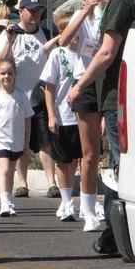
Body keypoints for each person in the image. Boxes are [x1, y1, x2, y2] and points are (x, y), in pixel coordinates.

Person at [67, 0, 135, 254]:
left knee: (119, 170)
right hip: (131, 96)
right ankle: (117, 236)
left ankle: (116, 237)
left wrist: (79, 85)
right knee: (124, 167)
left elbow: (106, 52)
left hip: (119, 95)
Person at [58, 0, 112, 231]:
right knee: (90, 153)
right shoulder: (87, 16)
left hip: (111, 85)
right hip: (87, 85)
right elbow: (64, 39)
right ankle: (87, 209)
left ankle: (108, 204)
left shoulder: (117, 14)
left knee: (109, 153)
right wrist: (83, 13)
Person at [0, 0, 57, 199]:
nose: (35, 14)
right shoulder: (9, 34)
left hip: (39, 94)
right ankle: (22, 183)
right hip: (17, 95)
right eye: (31, 10)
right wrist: (10, 41)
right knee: (21, 142)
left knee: (45, 141)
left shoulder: (45, 33)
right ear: (21, 12)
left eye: (38, 10)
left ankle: (51, 182)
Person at [41, 15, 84, 223]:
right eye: (72, 31)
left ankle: (73, 200)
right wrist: (51, 115)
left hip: (81, 118)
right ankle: (66, 202)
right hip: (61, 116)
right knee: (62, 162)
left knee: (75, 160)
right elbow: (49, 88)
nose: (76, 36)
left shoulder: (85, 55)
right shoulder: (58, 54)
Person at [0, 58, 34, 218]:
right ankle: (4, 203)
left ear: (15, 75)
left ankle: (9, 200)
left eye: (10, 73)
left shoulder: (21, 96)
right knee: (4, 169)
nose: (6, 76)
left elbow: (27, 120)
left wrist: (26, 143)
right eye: (3, 73)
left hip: (16, 140)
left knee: (10, 171)